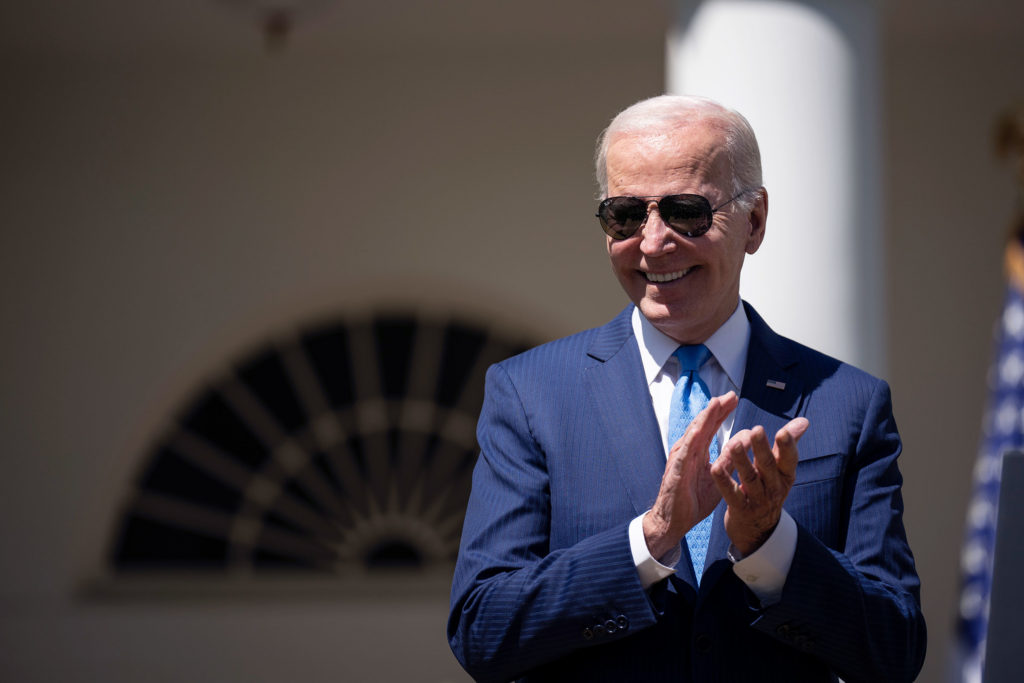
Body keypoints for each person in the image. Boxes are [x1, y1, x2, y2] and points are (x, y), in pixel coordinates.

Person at [447, 95, 926, 682]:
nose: (652, 242)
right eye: (624, 214)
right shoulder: (530, 394)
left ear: (753, 222)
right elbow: (482, 630)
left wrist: (771, 546)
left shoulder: (845, 403)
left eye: (685, 211)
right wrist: (651, 540)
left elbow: (895, 650)